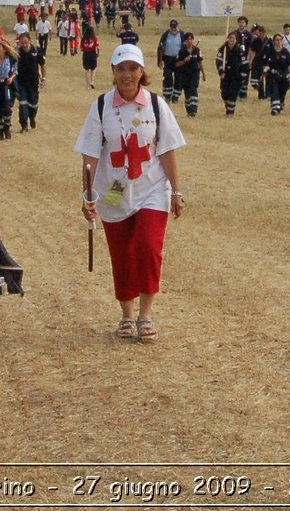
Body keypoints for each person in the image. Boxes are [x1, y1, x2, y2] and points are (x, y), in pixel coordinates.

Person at [75, 45, 186, 343]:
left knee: (148, 247)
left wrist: (176, 191)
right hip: (113, 190)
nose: (127, 75)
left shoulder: (156, 105)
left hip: (152, 188)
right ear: (112, 72)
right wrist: (88, 196)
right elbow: (89, 156)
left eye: (133, 68)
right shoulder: (100, 107)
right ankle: (126, 314)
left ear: (142, 72)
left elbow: (167, 150)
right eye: (121, 69)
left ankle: (146, 314)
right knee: (121, 252)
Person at [13, 32, 46, 133]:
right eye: (22, 43)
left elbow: (42, 65)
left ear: (29, 41)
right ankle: (24, 125)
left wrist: (43, 78)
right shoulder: (17, 53)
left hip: (33, 83)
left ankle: (32, 117)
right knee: (23, 104)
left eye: (26, 43)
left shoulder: (36, 51)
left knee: (34, 104)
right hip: (21, 83)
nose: (24, 45)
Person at [174, 33, 206, 117]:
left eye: (191, 39)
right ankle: (189, 110)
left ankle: (193, 110)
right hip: (184, 74)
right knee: (187, 93)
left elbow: (200, 62)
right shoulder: (181, 51)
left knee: (193, 90)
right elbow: (177, 64)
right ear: (185, 41)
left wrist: (203, 73)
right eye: (188, 39)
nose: (190, 41)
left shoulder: (197, 50)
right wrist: (184, 61)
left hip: (194, 73)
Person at [265, 33, 290, 115]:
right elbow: (265, 63)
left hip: (283, 75)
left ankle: (281, 103)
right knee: (274, 90)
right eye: (277, 40)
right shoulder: (270, 51)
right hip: (272, 75)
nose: (278, 41)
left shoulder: (285, 52)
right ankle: (275, 108)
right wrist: (266, 69)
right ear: (274, 41)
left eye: (280, 40)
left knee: (282, 91)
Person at [156, 20, 185, 104]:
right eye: (172, 27)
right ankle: (167, 96)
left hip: (178, 59)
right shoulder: (166, 35)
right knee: (167, 77)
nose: (173, 29)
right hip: (168, 59)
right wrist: (160, 60)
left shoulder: (182, 34)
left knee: (179, 78)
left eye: (175, 27)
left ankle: (176, 96)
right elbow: (161, 48)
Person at [215, 32, 244, 116]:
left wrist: (241, 75)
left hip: (235, 76)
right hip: (225, 75)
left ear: (236, 40)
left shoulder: (239, 50)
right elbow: (218, 61)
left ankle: (230, 112)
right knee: (224, 93)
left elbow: (244, 64)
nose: (231, 40)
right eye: (230, 37)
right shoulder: (223, 49)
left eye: (233, 38)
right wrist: (221, 72)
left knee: (232, 93)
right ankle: (228, 105)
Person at [79, 23, 101, 89]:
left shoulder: (83, 39)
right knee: (93, 69)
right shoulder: (94, 38)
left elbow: (81, 47)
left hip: (86, 54)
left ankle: (88, 85)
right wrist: (98, 54)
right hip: (93, 54)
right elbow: (97, 47)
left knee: (87, 70)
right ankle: (92, 82)